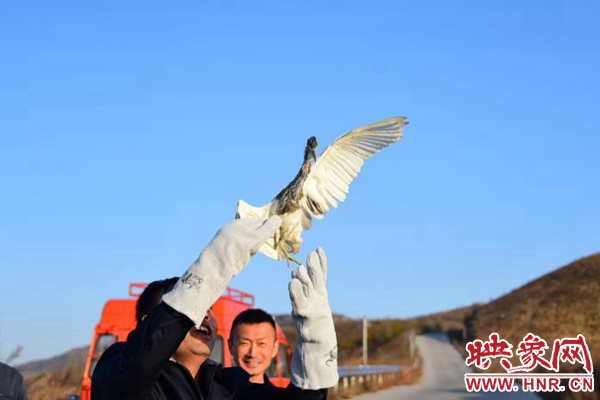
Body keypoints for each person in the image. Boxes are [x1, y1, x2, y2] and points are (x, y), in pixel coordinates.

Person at [91, 217, 339, 399]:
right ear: (149, 322)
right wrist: (214, 265)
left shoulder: (228, 386)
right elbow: (140, 364)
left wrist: (315, 338)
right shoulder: (115, 371)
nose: (204, 315)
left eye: (208, 308)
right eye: (193, 306)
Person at [228, 309, 279, 384]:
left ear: (275, 349)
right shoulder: (212, 389)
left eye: (261, 343)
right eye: (244, 343)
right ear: (230, 346)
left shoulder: (279, 392)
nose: (252, 354)